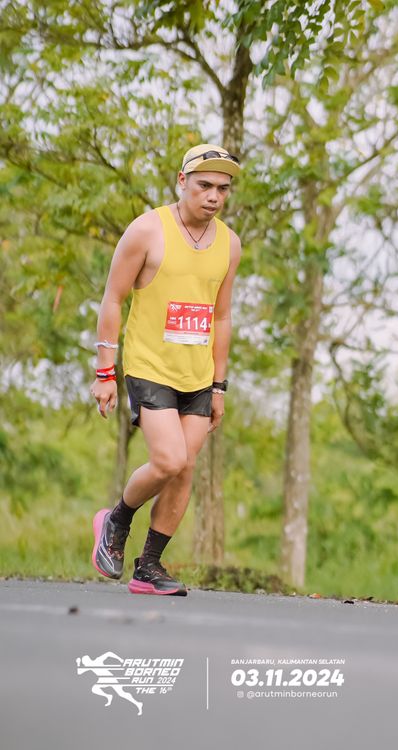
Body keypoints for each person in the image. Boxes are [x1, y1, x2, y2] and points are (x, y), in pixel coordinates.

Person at [90, 143, 241, 596]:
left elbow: (221, 317)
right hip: (149, 366)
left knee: (185, 467)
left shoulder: (229, 244)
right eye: (204, 185)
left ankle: (149, 567)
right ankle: (116, 520)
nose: (213, 196)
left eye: (222, 189)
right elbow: (113, 298)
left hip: (197, 374)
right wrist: (104, 372)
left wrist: (219, 386)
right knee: (169, 459)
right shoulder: (147, 230)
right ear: (182, 181)